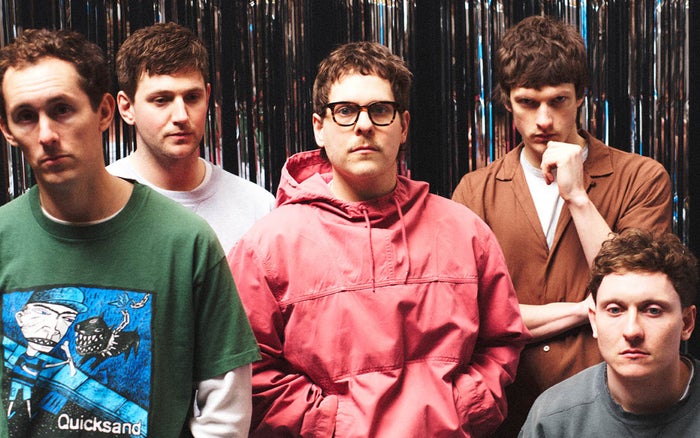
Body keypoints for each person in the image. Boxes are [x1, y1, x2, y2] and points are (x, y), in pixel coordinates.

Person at [228, 40, 530, 437]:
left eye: (380, 110)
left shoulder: (464, 231)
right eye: (345, 111)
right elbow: (250, 371)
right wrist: (333, 425)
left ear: (403, 126)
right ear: (319, 127)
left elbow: (501, 342)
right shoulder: (268, 247)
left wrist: (465, 406)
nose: (364, 125)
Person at [0, 28, 259, 436]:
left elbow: (225, 410)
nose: (46, 134)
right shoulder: (5, 237)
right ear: (7, 130)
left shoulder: (185, 239)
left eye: (62, 109)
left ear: (104, 112)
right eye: (26, 116)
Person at [451, 15, 672, 435]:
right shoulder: (474, 191)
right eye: (528, 102)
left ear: (581, 96)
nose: (544, 120)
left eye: (558, 100)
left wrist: (578, 197)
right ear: (507, 101)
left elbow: (634, 287)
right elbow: (467, 317)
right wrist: (580, 310)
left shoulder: (642, 178)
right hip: (505, 410)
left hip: (608, 410)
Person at [107, 22, 275, 253]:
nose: (181, 116)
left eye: (192, 97)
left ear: (207, 97)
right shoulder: (97, 203)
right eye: (161, 100)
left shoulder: (257, 207)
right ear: (127, 108)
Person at [519, 228, 699, 437]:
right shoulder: (554, 418)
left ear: (686, 323)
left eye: (653, 311)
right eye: (615, 310)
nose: (632, 331)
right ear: (594, 321)